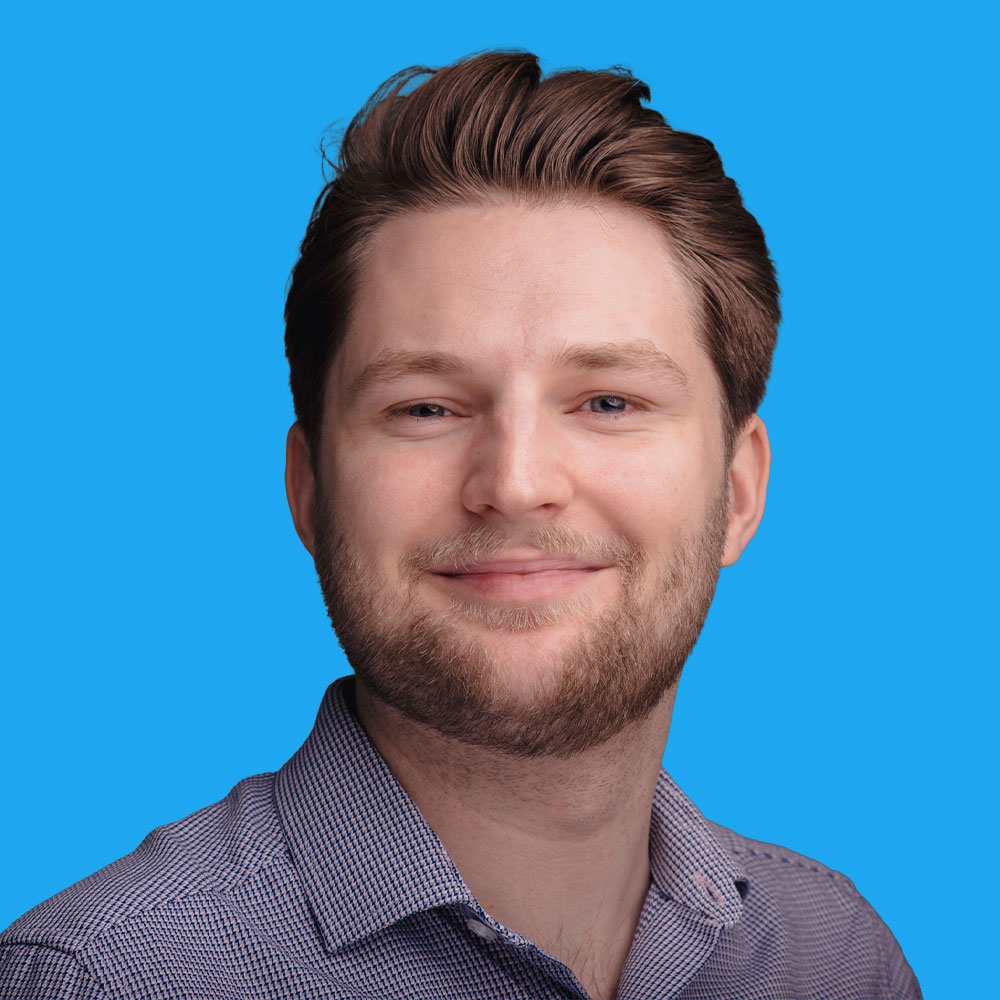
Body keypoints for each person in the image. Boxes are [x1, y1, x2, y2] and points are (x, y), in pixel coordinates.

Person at [0, 51, 921, 1000]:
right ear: (310, 489)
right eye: (425, 409)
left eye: (608, 401)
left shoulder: (835, 958)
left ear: (738, 489)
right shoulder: (106, 979)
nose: (515, 485)